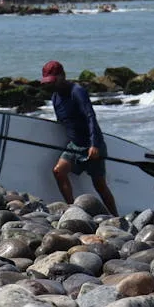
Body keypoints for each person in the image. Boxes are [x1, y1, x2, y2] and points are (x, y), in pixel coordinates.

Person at [41, 60, 118, 216]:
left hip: (91, 143)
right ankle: (72, 209)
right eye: (49, 82)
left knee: (99, 185)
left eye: (54, 81)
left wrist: (94, 144)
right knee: (58, 171)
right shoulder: (55, 97)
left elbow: (90, 116)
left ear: (62, 76)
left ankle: (116, 217)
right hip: (74, 145)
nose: (52, 85)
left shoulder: (77, 91)